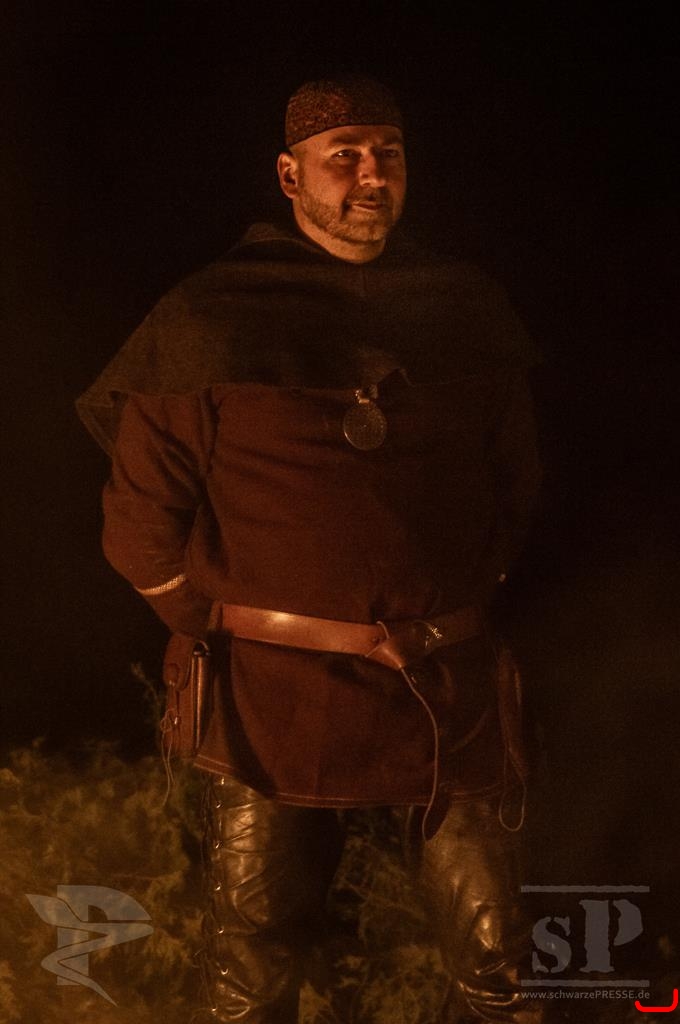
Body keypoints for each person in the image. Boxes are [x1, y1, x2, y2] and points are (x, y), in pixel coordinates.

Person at [78, 75, 544, 1023]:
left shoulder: (460, 306)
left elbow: (515, 483)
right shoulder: (211, 315)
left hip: (444, 688)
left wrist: (453, 594)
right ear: (290, 176)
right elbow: (141, 517)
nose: (372, 176)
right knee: (252, 968)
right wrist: (223, 623)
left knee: (497, 964)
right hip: (270, 696)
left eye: (389, 154)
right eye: (346, 157)